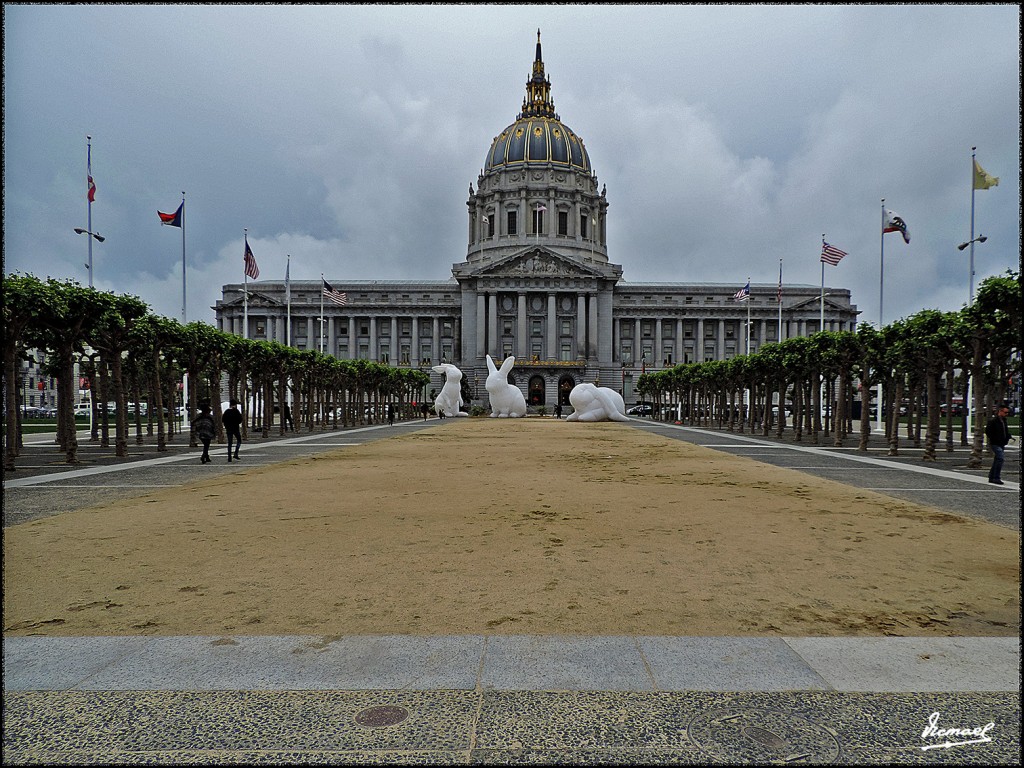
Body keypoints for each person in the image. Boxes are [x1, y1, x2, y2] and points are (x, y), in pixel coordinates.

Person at [985, 404, 1012, 485]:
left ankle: (992, 476)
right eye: (1005, 412)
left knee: (997, 459)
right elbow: (988, 431)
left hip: (1001, 443)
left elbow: (1005, 431)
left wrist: (1007, 436)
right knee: (1000, 459)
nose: (1006, 414)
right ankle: (996, 477)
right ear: (1000, 411)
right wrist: (994, 438)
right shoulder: (993, 421)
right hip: (995, 443)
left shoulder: (1004, 421)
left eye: (1007, 413)